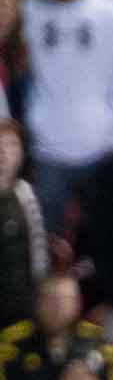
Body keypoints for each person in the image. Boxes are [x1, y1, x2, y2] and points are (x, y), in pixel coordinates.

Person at [21, 0, 113, 306]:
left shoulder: (111, 11)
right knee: (44, 250)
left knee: (106, 246)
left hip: (103, 150)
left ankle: (104, 315)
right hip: (46, 151)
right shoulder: (29, 10)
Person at [0, 271, 113, 380]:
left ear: (78, 303)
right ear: (37, 302)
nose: (58, 307)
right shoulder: (13, 343)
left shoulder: (98, 344)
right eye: (50, 300)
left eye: (65, 300)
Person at [0, 117, 47, 329]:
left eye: (11, 145)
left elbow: (37, 251)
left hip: (20, 304)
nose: (3, 153)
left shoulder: (25, 193)